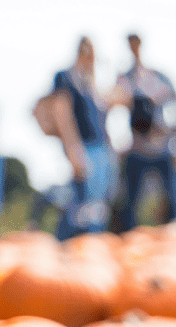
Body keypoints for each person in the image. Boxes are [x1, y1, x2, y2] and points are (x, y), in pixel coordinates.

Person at [46, 36, 122, 240]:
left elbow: (105, 112)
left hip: (101, 147)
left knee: (98, 205)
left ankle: (92, 244)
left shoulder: (91, 83)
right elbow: (62, 114)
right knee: (80, 202)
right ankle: (67, 245)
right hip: (83, 147)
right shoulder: (65, 77)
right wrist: (73, 149)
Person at [117, 34, 176, 232]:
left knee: (172, 201)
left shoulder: (159, 78)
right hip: (137, 149)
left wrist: (175, 142)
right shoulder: (125, 78)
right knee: (129, 204)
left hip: (161, 148)